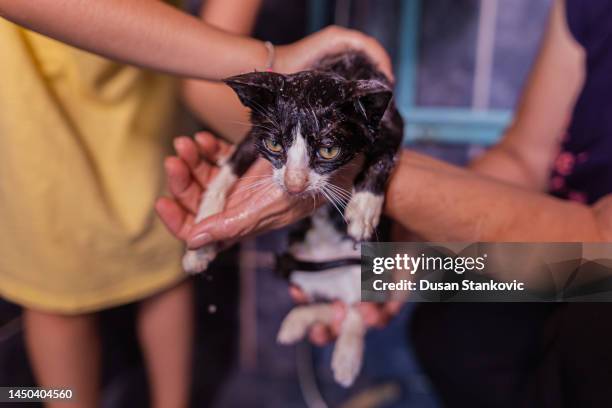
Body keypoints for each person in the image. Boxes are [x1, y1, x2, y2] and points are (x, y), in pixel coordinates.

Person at [157, 0, 612, 405]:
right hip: (553, 243)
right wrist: (404, 252)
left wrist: (365, 176)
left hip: (595, 269)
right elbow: (524, 157)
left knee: (584, 346)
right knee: (453, 328)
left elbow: (599, 252)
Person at [0, 1, 392, 407]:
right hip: (40, 100)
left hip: (151, 83)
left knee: (160, 263)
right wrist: (268, 64)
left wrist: (411, 259)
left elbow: (461, 246)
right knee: (54, 289)